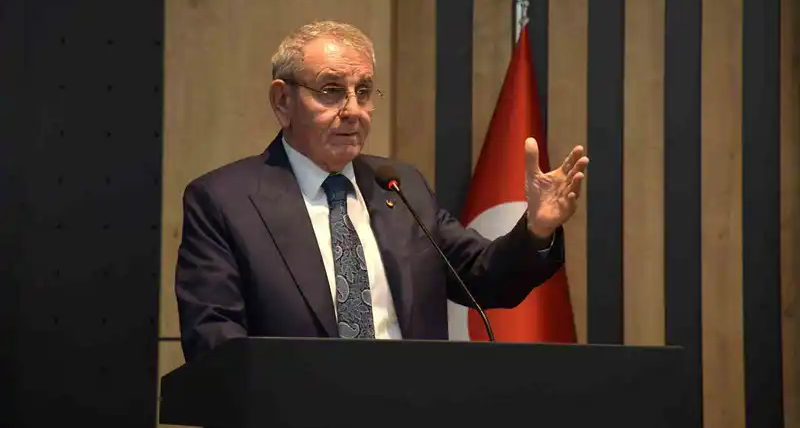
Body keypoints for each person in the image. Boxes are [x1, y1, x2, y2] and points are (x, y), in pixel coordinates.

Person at [175, 20, 589, 363]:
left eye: (363, 92)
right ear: (283, 101)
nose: (353, 111)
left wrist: (537, 229)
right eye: (331, 90)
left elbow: (486, 277)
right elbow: (213, 341)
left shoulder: (399, 187)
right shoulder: (225, 202)